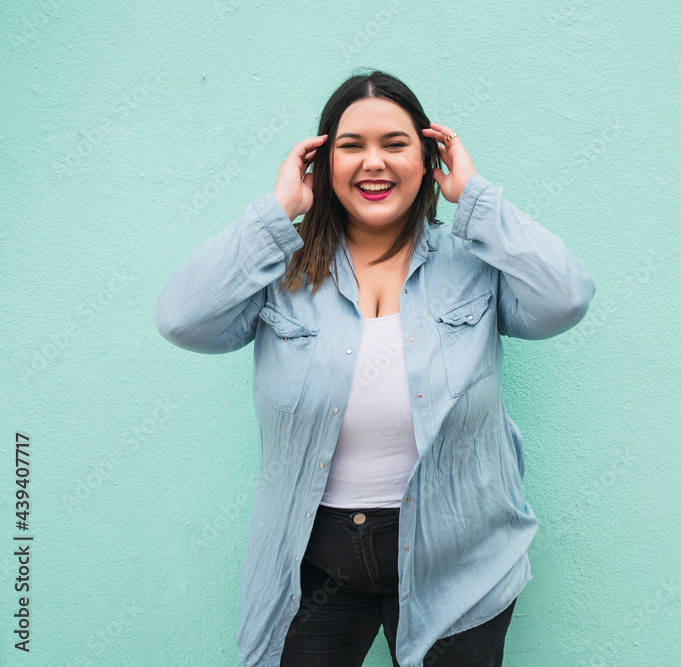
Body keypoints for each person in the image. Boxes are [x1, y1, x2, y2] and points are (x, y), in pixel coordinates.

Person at [154, 69, 596, 667]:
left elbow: (566, 297)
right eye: (351, 145)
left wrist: (475, 197)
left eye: (394, 144)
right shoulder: (281, 272)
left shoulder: (473, 264)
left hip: (459, 560)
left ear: (428, 158)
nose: (374, 162)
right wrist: (277, 213)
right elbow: (181, 319)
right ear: (322, 164)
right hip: (314, 561)